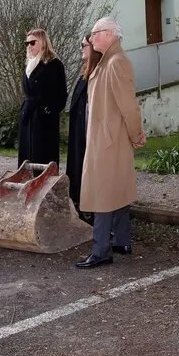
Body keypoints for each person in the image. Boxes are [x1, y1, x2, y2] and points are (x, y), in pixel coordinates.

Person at [76, 18, 145, 269]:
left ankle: (101, 250)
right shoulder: (108, 61)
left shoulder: (116, 63)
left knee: (103, 195)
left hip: (108, 141)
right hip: (107, 138)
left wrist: (136, 134)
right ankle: (122, 241)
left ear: (109, 34)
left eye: (95, 34)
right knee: (116, 190)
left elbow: (128, 105)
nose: (91, 39)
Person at [17, 28, 67, 168]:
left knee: (43, 155)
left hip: (44, 117)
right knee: (26, 157)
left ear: (43, 42)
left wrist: (49, 110)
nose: (29, 46)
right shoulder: (29, 64)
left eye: (32, 42)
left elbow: (62, 94)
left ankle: (44, 183)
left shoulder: (54, 64)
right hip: (28, 114)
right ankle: (28, 183)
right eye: (27, 43)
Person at [66, 35, 101, 220]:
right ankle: (84, 206)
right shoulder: (85, 72)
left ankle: (93, 211)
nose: (81, 48)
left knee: (89, 171)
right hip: (80, 132)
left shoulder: (97, 73)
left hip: (88, 132)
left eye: (84, 45)